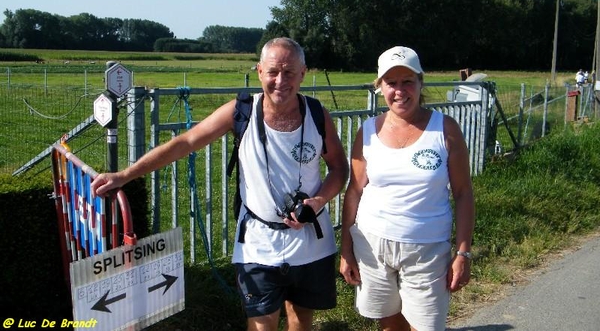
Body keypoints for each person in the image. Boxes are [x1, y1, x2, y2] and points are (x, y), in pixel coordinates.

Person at [91, 37, 349, 331]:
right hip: (258, 242)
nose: (281, 81)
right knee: (262, 325)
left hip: (311, 242)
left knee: (301, 320)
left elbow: (338, 169)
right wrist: (125, 175)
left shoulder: (317, 115)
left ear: (303, 73)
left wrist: (318, 201)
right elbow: (185, 142)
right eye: (273, 71)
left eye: (290, 72)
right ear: (259, 71)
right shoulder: (240, 112)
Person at [339, 46, 475, 331]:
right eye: (391, 83)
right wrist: (346, 250)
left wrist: (463, 253)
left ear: (420, 82)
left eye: (407, 81)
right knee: (389, 324)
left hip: (427, 249)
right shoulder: (368, 131)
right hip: (372, 245)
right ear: (381, 87)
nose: (399, 91)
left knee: (425, 326)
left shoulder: (446, 130)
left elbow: (463, 194)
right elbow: (354, 192)